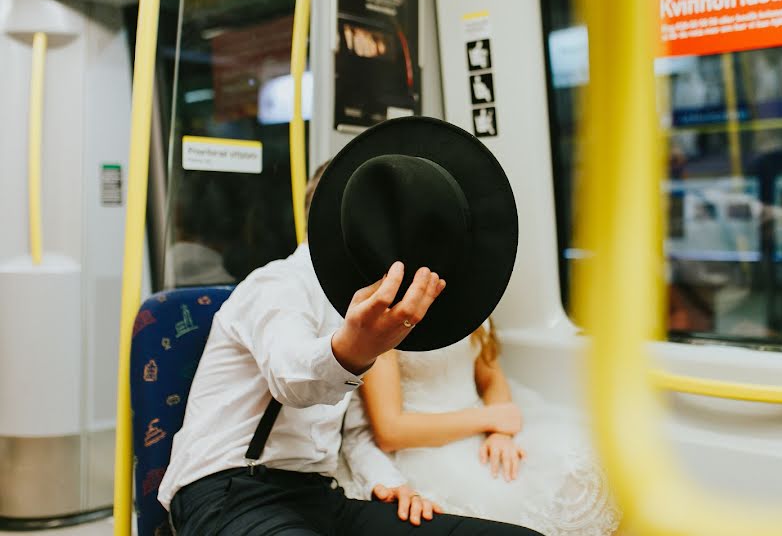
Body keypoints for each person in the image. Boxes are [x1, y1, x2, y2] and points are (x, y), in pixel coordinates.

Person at [158, 117, 542, 535]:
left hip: (321, 496)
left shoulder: (365, 305)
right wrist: (353, 350)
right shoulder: (276, 286)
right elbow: (291, 376)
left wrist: (394, 485)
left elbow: (353, 433)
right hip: (228, 490)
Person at [340, 318, 622, 536]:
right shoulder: (384, 323)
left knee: (582, 457)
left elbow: (490, 377)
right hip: (424, 443)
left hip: (486, 425)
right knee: (500, 500)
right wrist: (490, 419)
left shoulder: (474, 295)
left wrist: (500, 434)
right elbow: (391, 430)